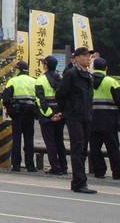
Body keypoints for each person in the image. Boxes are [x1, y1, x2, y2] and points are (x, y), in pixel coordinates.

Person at [56, 46, 96, 194]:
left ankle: (77, 182)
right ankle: (80, 182)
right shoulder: (71, 74)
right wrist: (66, 111)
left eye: (89, 57)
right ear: (77, 58)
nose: (88, 59)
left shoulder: (88, 75)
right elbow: (60, 94)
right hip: (74, 116)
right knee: (78, 148)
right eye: (85, 56)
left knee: (84, 149)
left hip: (86, 116)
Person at [2, 60, 37, 172]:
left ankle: (16, 165)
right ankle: (30, 165)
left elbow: (6, 99)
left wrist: (10, 110)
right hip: (30, 113)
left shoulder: (13, 81)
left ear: (18, 70)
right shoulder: (34, 81)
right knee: (29, 140)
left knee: (16, 140)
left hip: (17, 114)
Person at [35, 55, 67, 176]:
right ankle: (64, 166)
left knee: (50, 142)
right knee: (60, 141)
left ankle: (56, 167)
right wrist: (60, 114)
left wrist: (49, 115)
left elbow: (40, 100)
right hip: (60, 115)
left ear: (46, 65)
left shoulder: (41, 80)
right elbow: (65, 98)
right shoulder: (61, 78)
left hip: (47, 116)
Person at [89, 58, 120, 180]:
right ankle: (117, 173)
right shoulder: (111, 82)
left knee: (95, 148)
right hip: (109, 120)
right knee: (113, 148)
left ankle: (99, 172)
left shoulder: (88, 80)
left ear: (93, 67)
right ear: (106, 68)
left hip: (92, 120)